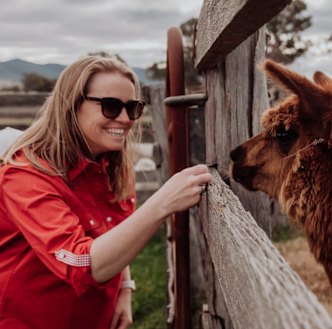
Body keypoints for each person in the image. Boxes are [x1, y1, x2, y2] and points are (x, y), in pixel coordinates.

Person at [0, 56, 212, 329]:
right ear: (71, 106)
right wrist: (162, 203)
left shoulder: (110, 165)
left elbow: (115, 231)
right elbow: (79, 262)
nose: (125, 119)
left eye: (133, 107)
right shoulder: (25, 175)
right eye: (110, 107)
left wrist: (125, 287)